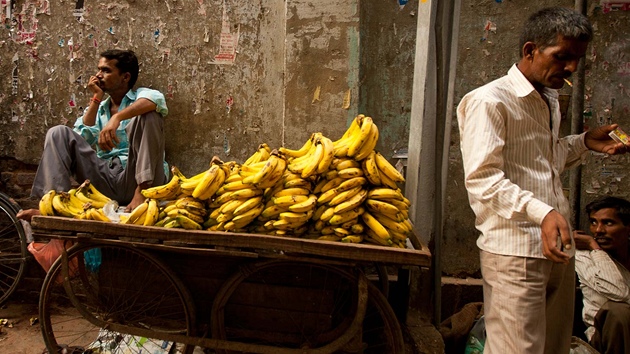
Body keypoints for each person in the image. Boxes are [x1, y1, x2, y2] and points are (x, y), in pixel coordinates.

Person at [457, 7, 630, 354]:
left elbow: (541, 163)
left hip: (556, 253)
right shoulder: (489, 101)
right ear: (530, 50)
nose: (571, 69)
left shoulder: (547, 99)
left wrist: (583, 142)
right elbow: (484, 180)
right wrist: (544, 213)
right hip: (514, 251)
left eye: (577, 60)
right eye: (562, 57)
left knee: (554, 347)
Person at [17, 49, 168, 221]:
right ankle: (54, 204)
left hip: (137, 177)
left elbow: (156, 101)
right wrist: (96, 98)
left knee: (150, 115)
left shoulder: (142, 96)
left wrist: (117, 117)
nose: (98, 75)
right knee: (58, 133)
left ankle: (141, 192)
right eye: (99, 69)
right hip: (105, 177)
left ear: (125, 77)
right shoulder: (100, 108)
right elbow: (81, 136)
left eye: (106, 70)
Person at [574, 197, 630, 354]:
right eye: (593, 222)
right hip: (605, 339)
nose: (598, 230)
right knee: (617, 311)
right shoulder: (584, 256)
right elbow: (618, 293)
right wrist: (595, 248)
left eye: (608, 223)